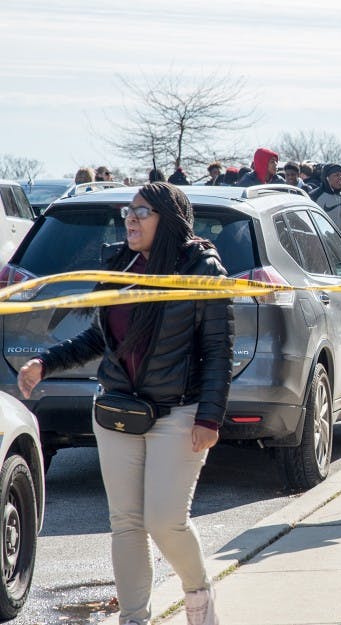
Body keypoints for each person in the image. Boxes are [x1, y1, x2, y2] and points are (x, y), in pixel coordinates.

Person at [18, 182, 233, 625]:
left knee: (166, 521)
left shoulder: (202, 269)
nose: (129, 220)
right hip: (118, 411)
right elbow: (101, 337)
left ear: (168, 220)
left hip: (179, 413)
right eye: (128, 212)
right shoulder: (122, 265)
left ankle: (199, 598)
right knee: (127, 524)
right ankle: (134, 619)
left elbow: (218, 350)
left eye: (142, 212)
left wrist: (210, 416)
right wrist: (45, 362)